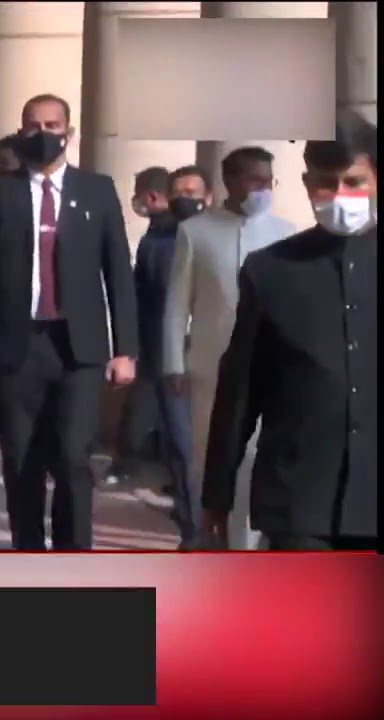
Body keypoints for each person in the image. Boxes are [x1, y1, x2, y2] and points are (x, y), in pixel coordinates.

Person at [0, 94, 139, 550]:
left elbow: (118, 271)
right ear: (22, 131)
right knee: (22, 461)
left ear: (69, 131)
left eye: (52, 124)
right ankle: (29, 557)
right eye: (33, 125)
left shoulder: (97, 191)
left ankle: (73, 558)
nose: (43, 133)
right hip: (16, 347)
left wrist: (126, 349)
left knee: (72, 458)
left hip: (77, 349)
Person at [202, 111, 376, 552]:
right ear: (305, 184)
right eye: (326, 183)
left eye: (353, 182)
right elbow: (241, 390)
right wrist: (216, 496)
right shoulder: (272, 271)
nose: (340, 196)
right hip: (299, 498)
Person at [161, 146, 297, 550]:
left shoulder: (287, 234)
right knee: (214, 462)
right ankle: (215, 539)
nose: (262, 189)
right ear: (230, 182)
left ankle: (252, 546)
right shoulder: (196, 232)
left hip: (269, 371)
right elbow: (176, 306)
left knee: (258, 460)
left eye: (267, 181)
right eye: (254, 180)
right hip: (210, 370)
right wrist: (174, 364)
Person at [121, 166, 194, 547]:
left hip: (169, 353)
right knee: (177, 439)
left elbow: (158, 298)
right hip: (165, 349)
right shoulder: (164, 234)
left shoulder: (167, 238)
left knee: (181, 439)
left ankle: (191, 519)